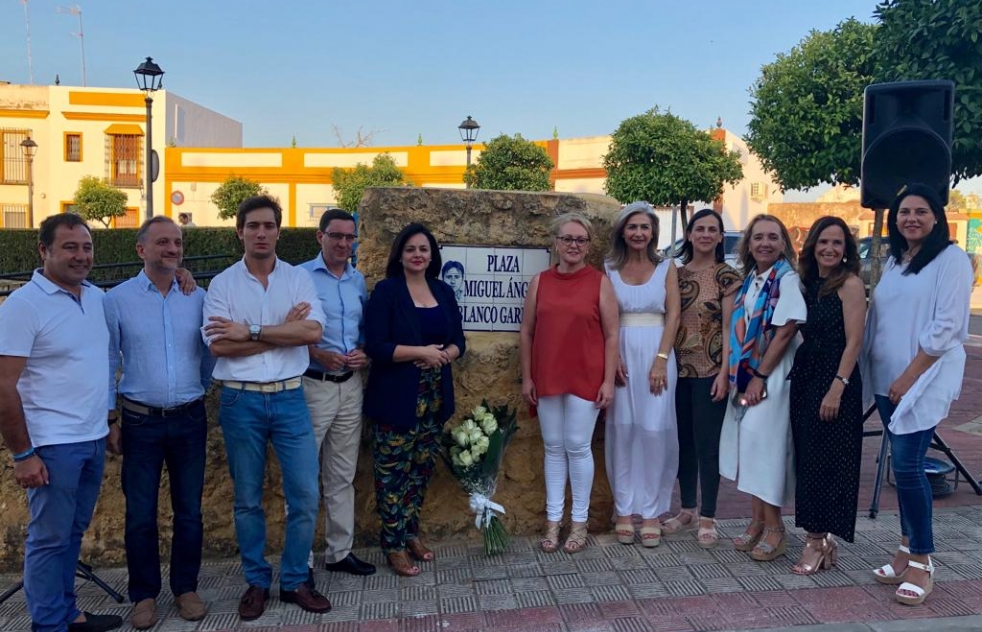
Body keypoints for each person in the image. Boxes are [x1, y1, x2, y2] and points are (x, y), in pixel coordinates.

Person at [201, 195, 331, 620]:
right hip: (241, 398)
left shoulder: (297, 279)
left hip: (291, 395)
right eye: (253, 225)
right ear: (239, 230)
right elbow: (220, 344)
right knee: (247, 499)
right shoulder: (222, 284)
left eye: (269, 225)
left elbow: (312, 331)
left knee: (306, 494)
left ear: (279, 230)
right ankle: (256, 581)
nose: (261, 233)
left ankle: (294, 580)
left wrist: (252, 330)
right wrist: (282, 331)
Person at [0, 213, 123, 632]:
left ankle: (69, 613)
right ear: (44, 251)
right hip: (51, 445)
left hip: (91, 439)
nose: (81, 256)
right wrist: (22, 454)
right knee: (49, 540)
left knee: (72, 535)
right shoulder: (23, 305)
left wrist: (177, 273)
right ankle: (48, 624)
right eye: (70, 247)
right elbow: (3, 385)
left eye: (87, 247)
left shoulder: (96, 298)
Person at [862, 183, 973, 606]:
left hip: (921, 380)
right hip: (889, 380)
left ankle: (924, 560)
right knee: (902, 463)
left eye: (920, 211)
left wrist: (910, 376)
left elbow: (947, 326)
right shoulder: (895, 260)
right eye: (904, 211)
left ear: (937, 217)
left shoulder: (951, 260)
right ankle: (905, 550)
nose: (911, 218)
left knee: (907, 468)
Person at [104, 216, 215, 628]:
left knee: (189, 512)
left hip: (189, 419)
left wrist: (197, 388)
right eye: (163, 242)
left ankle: (186, 588)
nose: (172, 249)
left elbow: (209, 353)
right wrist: (110, 417)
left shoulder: (197, 296)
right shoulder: (115, 300)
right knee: (140, 514)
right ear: (141, 250)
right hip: (140, 423)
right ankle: (144, 595)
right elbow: (108, 360)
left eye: (178, 243)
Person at [364, 223, 466, 577]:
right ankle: (391, 544)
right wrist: (417, 352)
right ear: (400, 254)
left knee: (420, 473)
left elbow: (459, 341)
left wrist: (443, 355)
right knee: (392, 476)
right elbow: (376, 346)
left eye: (424, 249)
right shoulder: (387, 292)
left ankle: (410, 534)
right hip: (396, 399)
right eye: (411, 249)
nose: (418, 255)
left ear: (432, 255)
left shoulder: (442, 291)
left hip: (434, 399)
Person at [520, 212, 619, 554]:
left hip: (585, 374)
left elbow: (611, 335)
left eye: (580, 240)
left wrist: (608, 381)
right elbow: (527, 332)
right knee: (552, 446)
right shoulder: (540, 282)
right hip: (548, 374)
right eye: (567, 239)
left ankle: (579, 522)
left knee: (577, 446)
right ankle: (552, 520)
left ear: (589, 245)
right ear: (556, 242)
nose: (573, 245)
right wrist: (527, 375)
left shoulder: (599, 282)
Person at [719, 214, 806, 562]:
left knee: (766, 449)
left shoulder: (787, 280)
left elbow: (785, 331)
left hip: (771, 373)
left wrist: (759, 377)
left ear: (784, 242)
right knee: (751, 447)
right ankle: (757, 521)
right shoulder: (752, 280)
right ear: (748, 244)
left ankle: (775, 528)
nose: (765, 243)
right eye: (758, 237)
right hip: (750, 372)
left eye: (772, 237)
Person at [299, 209, 375, 576]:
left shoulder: (357, 281)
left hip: (351, 386)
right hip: (314, 385)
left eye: (350, 237)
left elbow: (360, 328)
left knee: (342, 475)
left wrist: (362, 350)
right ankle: (301, 560)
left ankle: (340, 552)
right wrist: (317, 353)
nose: (344, 243)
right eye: (337, 236)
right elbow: (287, 331)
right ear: (320, 237)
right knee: (303, 473)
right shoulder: (300, 278)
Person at [787, 216, 866, 575]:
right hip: (806, 374)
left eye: (837, 243)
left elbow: (854, 342)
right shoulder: (806, 283)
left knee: (827, 462)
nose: (830, 249)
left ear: (846, 250)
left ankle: (816, 542)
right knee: (808, 459)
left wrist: (837, 387)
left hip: (836, 378)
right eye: (823, 242)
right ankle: (822, 539)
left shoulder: (849, 284)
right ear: (812, 246)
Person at [603, 202, 680, 548]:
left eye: (644, 227)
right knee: (622, 431)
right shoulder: (609, 268)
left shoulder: (667, 267)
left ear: (653, 232)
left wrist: (661, 358)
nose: (638, 233)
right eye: (632, 227)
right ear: (623, 231)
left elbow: (674, 315)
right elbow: (607, 318)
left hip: (657, 353)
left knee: (653, 432)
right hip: (620, 354)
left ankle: (650, 511)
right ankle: (624, 510)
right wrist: (614, 355)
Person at [667, 209, 741, 548]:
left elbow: (729, 330)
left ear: (720, 236)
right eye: (700, 229)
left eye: (713, 229)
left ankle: (709, 516)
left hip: (710, 371)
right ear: (690, 234)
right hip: (677, 370)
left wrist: (725, 373)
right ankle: (687, 510)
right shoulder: (676, 274)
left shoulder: (727, 276)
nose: (706, 234)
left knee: (708, 446)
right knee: (683, 442)